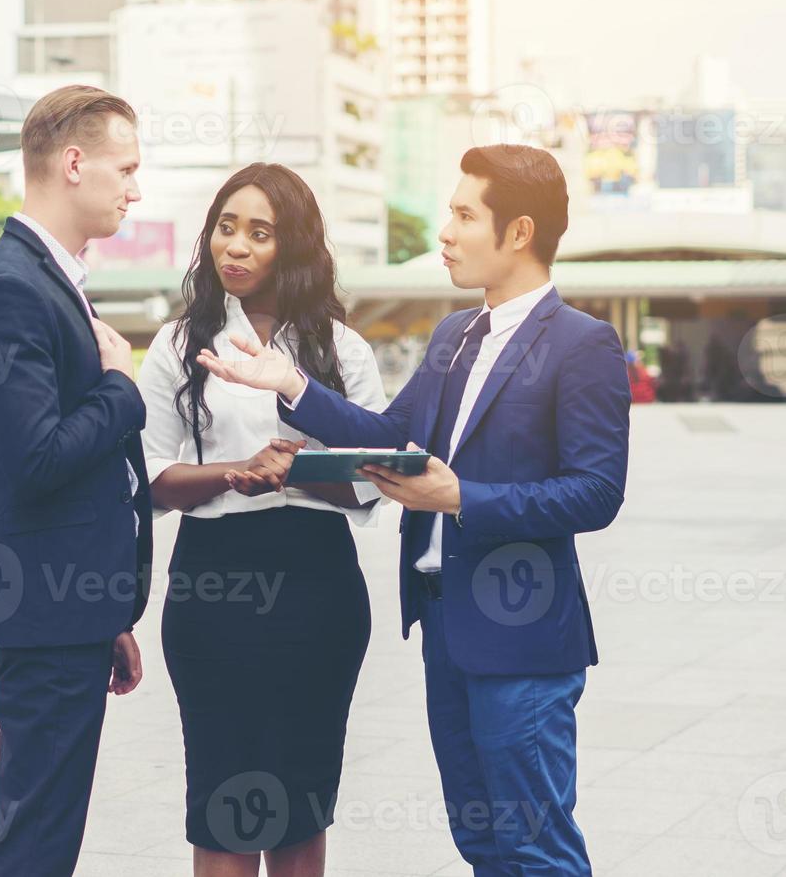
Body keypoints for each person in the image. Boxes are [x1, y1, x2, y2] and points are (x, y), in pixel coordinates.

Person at [199, 145, 630, 875]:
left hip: (522, 635)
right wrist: (292, 385)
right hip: (447, 628)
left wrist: (460, 497)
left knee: (535, 847)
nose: (447, 232)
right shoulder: (452, 336)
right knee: (483, 843)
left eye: (465, 215)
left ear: (519, 233)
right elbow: (391, 437)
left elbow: (596, 491)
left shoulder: (583, 344)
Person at [137, 163, 387, 875]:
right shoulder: (180, 343)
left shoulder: (342, 350)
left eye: (260, 232)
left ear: (295, 246)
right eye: (225, 227)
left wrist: (299, 468)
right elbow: (150, 479)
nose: (236, 248)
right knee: (221, 790)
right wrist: (236, 474)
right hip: (211, 582)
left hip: (317, 583)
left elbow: (375, 479)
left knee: (301, 791)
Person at [0, 85, 153, 877]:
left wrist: (105, 608)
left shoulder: (45, 276)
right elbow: (35, 460)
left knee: (42, 825)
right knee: (35, 834)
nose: (136, 189)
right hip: (43, 607)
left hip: (68, 605)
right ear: (74, 163)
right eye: (126, 168)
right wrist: (121, 387)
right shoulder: (11, 285)